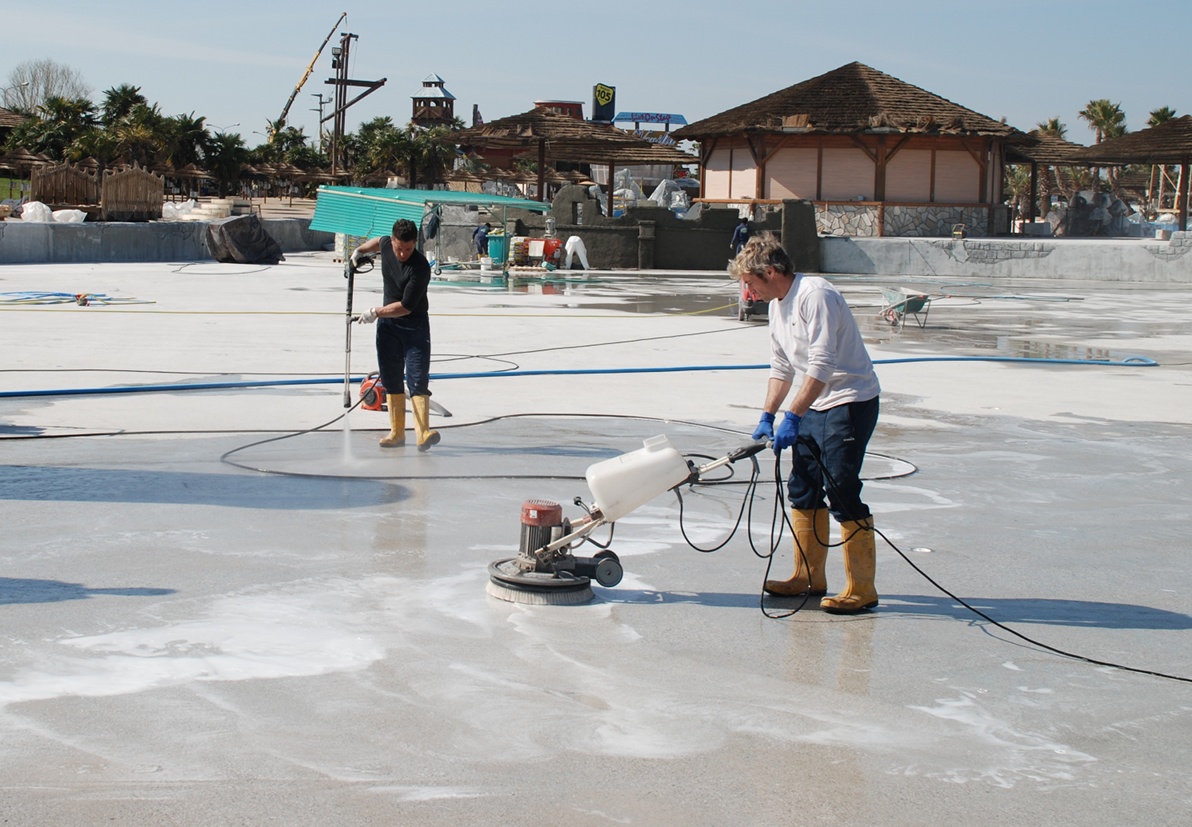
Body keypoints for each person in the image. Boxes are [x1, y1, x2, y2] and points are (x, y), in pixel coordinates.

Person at [730, 233, 881, 614]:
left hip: (849, 400)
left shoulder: (816, 295)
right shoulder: (775, 307)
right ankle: (808, 576)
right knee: (803, 489)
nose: (748, 293)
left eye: (750, 283)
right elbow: (781, 368)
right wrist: (768, 415)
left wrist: (793, 415)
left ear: (769, 272)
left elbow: (822, 363)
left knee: (842, 488)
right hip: (814, 403)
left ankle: (862, 589)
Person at [350, 219, 440, 452]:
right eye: (399, 248)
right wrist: (359, 251)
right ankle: (397, 433)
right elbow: (376, 243)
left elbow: (406, 307)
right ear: (393, 241)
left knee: (417, 379)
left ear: (415, 244)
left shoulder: (420, 267)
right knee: (391, 378)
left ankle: (423, 434)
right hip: (388, 329)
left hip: (414, 327)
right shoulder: (387, 245)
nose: (402, 253)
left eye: (408, 249)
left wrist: (375, 312)